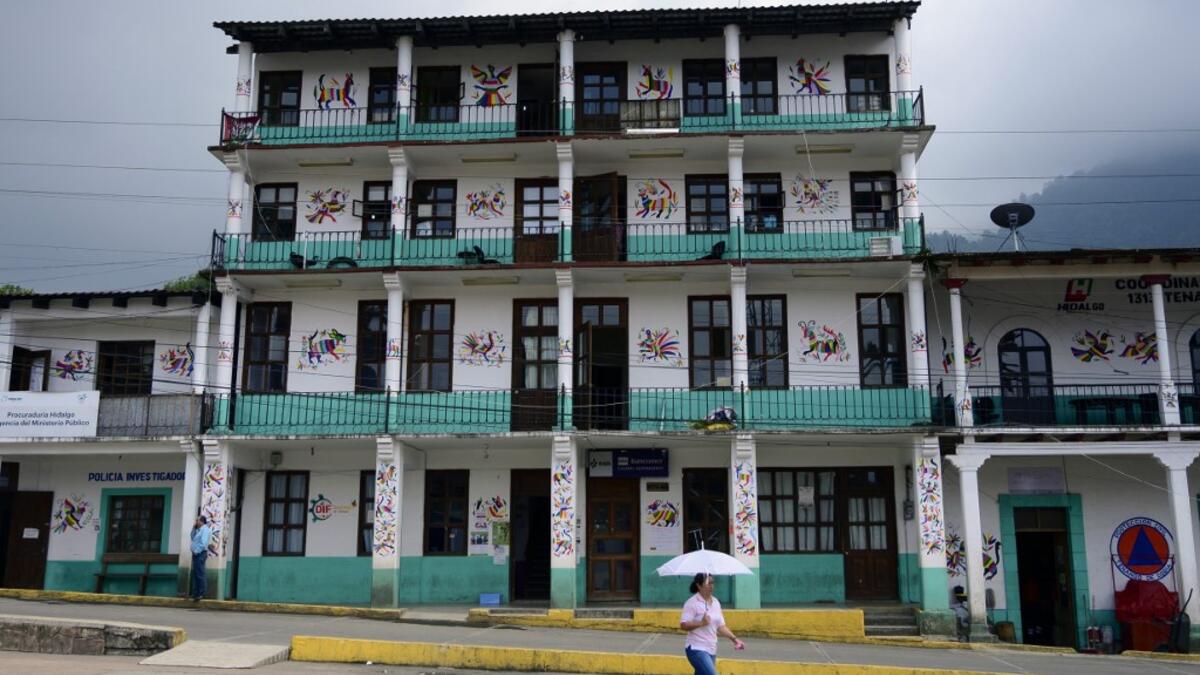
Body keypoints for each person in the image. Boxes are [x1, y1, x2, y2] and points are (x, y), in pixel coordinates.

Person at [679, 573, 744, 675]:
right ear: (699, 585)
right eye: (708, 583)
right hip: (696, 648)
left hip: (711, 648)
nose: (711, 586)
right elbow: (683, 625)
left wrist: (734, 639)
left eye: (712, 583)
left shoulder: (716, 602)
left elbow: (721, 626)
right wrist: (701, 623)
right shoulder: (692, 603)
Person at [189, 515, 211, 602]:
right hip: (196, 554)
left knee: (200, 574)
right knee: (196, 573)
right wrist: (194, 528)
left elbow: (203, 543)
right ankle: (196, 593)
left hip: (200, 554)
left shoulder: (205, 530)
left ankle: (201, 593)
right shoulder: (199, 530)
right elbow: (192, 537)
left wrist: (196, 551)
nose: (196, 522)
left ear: (201, 521)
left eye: (197, 520)